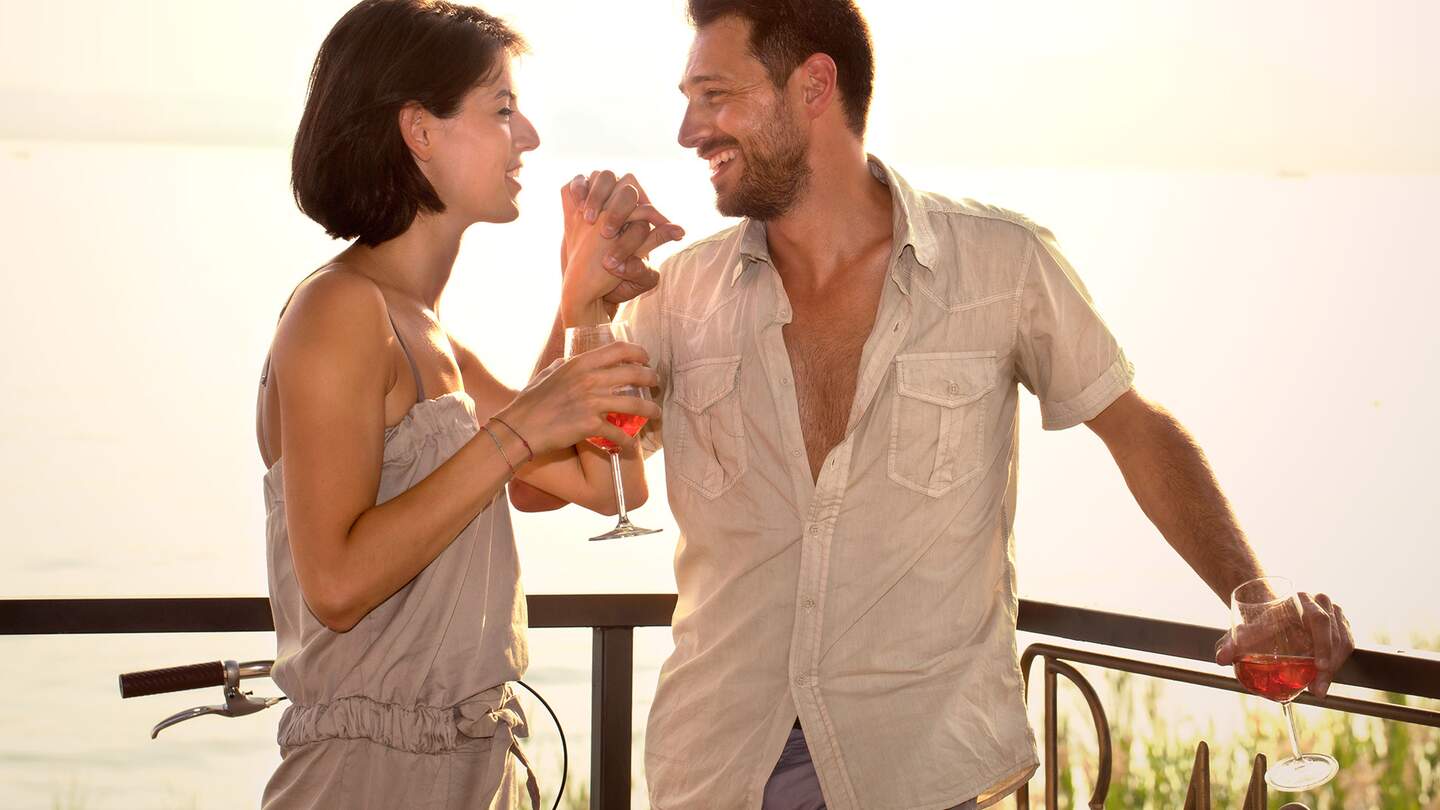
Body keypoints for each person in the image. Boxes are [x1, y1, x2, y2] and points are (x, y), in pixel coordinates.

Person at [535, 1, 1357, 808]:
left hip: (924, 774)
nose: (690, 132)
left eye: (715, 96)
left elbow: (1135, 430)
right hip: (719, 772)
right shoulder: (676, 292)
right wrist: (579, 299)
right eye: (688, 103)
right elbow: (544, 481)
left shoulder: (1002, 264)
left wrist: (1254, 600)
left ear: (813, 86)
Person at [253, 1, 675, 807]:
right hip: (370, 782)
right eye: (503, 109)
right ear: (419, 130)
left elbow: (607, 484)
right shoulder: (338, 312)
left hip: (479, 773)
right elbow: (335, 585)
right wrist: (519, 431)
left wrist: (580, 301)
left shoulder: (432, 337)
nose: (530, 137)